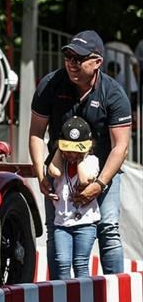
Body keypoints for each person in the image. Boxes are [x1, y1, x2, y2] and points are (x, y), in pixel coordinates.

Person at [29, 30, 132, 276]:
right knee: (55, 230)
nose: (71, 63)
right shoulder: (50, 85)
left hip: (104, 168)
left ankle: (115, 289)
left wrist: (100, 184)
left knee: (108, 228)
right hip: (59, 167)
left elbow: (121, 147)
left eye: (79, 58)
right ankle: (56, 293)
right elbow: (35, 134)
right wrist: (40, 175)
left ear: (97, 62)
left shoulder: (114, 93)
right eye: (68, 57)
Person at [48, 116, 100, 279]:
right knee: (62, 263)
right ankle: (65, 301)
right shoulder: (59, 163)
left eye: (76, 150)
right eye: (67, 149)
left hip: (85, 223)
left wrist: (81, 157)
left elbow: (84, 179)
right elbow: (54, 172)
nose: (71, 154)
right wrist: (59, 149)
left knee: (80, 264)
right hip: (62, 223)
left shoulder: (92, 160)